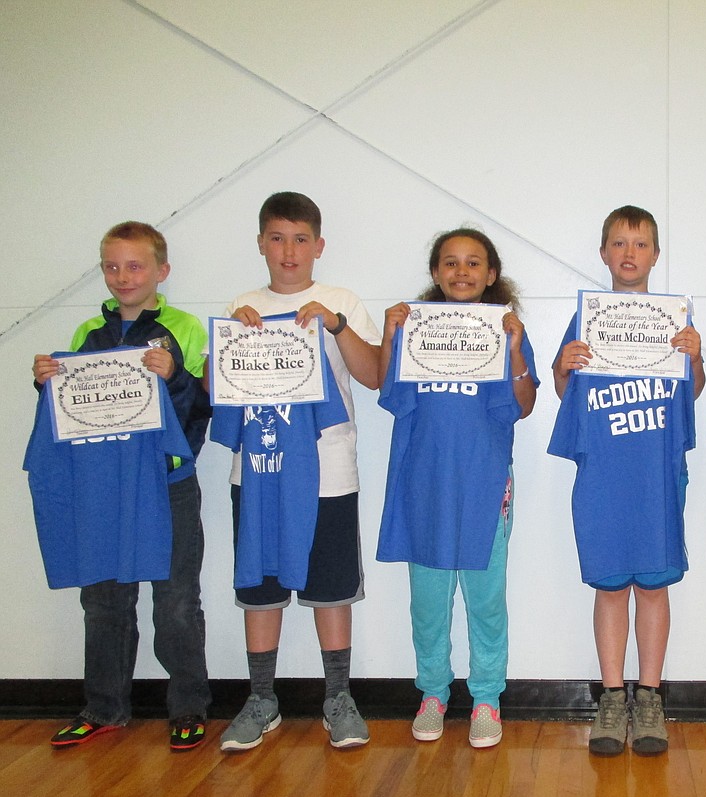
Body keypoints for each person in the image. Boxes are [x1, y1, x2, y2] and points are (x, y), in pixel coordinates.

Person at [30, 221, 213, 751]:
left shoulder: (185, 329)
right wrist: (45, 382)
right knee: (104, 599)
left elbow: (202, 407)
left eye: (135, 265)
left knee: (176, 601)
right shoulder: (88, 335)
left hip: (167, 483)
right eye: (112, 266)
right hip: (103, 488)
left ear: (162, 270)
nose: (122, 276)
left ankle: (188, 707)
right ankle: (104, 707)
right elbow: (72, 417)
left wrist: (175, 374)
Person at [218, 192, 381, 752]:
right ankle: (261, 699)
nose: (289, 251)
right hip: (259, 470)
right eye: (277, 238)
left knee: (330, 588)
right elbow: (225, 390)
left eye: (301, 239)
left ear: (319, 245)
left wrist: (335, 327)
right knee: (259, 588)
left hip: (329, 471)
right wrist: (236, 337)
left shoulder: (341, 300)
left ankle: (338, 697)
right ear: (261, 243)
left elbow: (375, 375)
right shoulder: (242, 304)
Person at [548, 205, 704, 756]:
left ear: (655, 255)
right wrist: (562, 364)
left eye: (640, 244)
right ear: (604, 254)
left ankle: (651, 694)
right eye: (619, 243)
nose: (629, 253)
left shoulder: (674, 319)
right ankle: (612, 695)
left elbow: (694, 391)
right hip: (605, 473)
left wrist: (697, 356)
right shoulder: (588, 317)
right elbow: (566, 388)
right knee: (610, 586)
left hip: (656, 471)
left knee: (654, 586)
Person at [377, 229, 538, 749]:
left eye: (473, 263)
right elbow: (387, 389)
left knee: (486, 600)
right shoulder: (412, 329)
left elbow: (526, 404)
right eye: (450, 263)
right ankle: (433, 694)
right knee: (427, 602)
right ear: (435, 272)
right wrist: (389, 334)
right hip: (425, 486)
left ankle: (487, 698)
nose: (461, 272)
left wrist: (513, 349)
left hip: (485, 485)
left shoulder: (507, 331)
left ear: (491, 274)